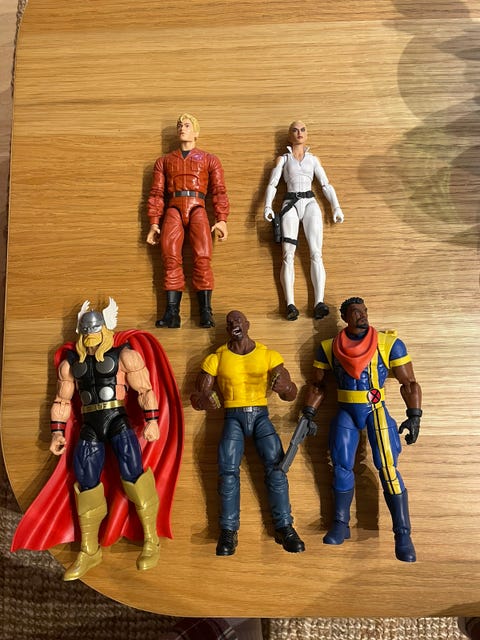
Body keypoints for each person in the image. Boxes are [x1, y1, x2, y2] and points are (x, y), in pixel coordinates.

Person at [11, 298, 184, 580]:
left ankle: (151, 539)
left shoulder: (124, 355)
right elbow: (62, 400)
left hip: (117, 419)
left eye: (95, 329)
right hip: (90, 423)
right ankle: (89, 550)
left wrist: (152, 421)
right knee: (86, 479)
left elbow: (144, 389)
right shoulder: (71, 365)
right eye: (86, 330)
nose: (90, 335)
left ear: (105, 329)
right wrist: (57, 431)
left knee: (133, 474)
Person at [301, 297, 421, 562]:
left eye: (364, 311)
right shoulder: (329, 347)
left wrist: (414, 415)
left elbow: (409, 382)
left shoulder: (388, 343)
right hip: (345, 410)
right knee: (340, 466)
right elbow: (317, 385)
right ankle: (340, 524)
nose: (362, 316)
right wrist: (308, 413)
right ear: (345, 317)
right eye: (355, 312)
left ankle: (403, 535)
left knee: (388, 468)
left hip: (375, 409)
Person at [190, 310, 305, 556]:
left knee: (277, 468)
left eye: (239, 320)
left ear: (248, 324)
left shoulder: (267, 355)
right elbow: (197, 398)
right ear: (227, 329)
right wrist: (204, 402)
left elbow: (291, 393)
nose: (235, 324)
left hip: (261, 415)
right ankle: (228, 531)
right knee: (227, 473)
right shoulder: (216, 358)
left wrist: (286, 387)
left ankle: (285, 527)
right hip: (232, 416)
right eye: (231, 322)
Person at [147, 113, 230, 328]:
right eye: (179, 125)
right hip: (174, 208)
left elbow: (219, 191)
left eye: (186, 125)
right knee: (170, 258)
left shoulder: (209, 159)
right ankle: (172, 313)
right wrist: (154, 222)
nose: (182, 129)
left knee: (203, 257)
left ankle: (206, 311)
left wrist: (222, 219)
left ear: (196, 132)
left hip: (197, 207)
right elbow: (156, 193)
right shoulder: (164, 161)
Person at [264, 120, 344, 321]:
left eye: (302, 130)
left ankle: (319, 302)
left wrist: (336, 206)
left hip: (309, 203)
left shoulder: (313, 159)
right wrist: (267, 206)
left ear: (307, 134)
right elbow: (272, 184)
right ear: (289, 135)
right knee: (287, 254)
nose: (299, 133)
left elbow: (325, 184)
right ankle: (290, 304)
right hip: (290, 204)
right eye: (295, 130)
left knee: (316, 253)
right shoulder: (283, 159)